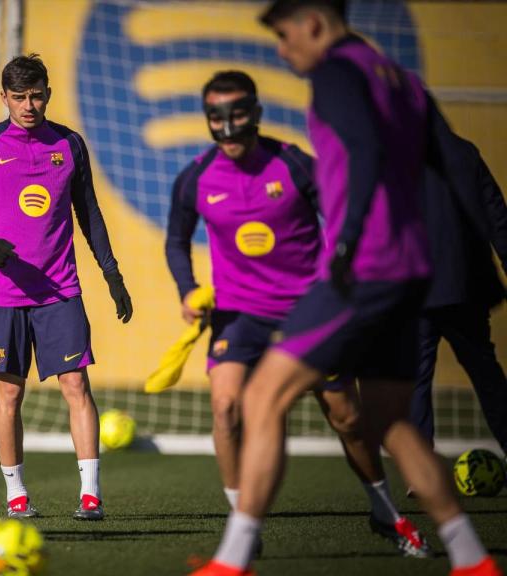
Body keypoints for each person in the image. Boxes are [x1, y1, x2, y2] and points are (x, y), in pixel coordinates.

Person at [191, 2, 502, 575]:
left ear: (314, 22)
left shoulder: (336, 74)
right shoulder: (399, 79)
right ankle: (472, 557)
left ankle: (230, 562)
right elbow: (457, 163)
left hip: (368, 268)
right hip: (414, 275)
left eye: (284, 37)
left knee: (260, 397)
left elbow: (361, 155)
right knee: (395, 424)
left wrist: (345, 243)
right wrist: (485, 271)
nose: (283, 51)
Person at [167, 70, 428, 557]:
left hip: (309, 311)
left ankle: (386, 513)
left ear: (256, 114)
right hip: (238, 315)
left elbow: (345, 218)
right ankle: (243, 531)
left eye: (237, 114)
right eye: (215, 117)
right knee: (225, 408)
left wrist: (342, 278)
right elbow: (176, 240)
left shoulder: (293, 164)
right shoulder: (195, 178)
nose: (226, 128)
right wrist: (187, 289)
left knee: (347, 418)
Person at [0, 54, 133, 521]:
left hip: (60, 291)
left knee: (76, 384)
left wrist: (112, 273)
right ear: (4, 97)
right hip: (5, 295)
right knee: (9, 395)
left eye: (37, 95)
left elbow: (89, 214)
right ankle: (16, 493)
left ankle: (90, 493)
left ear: (47, 93)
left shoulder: (69, 144)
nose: (29, 105)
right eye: (19, 97)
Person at [411, 122, 507, 460]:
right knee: (486, 373)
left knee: (416, 377)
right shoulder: (465, 152)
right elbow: (497, 214)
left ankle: (422, 467)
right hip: (466, 284)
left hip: (416, 289)